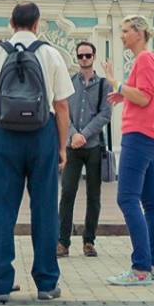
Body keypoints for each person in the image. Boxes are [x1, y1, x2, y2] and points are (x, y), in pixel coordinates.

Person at [0, 1, 74, 304]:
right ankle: (46, 283)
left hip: (6, 137)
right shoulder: (50, 53)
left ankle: (0, 285)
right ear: (37, 24)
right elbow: (62, 105)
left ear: (12, 23)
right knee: (44, 209)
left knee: (2, 209)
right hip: (42, 134)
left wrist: (3, 121)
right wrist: (61, 145)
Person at [105, 16, 154, 285]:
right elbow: (142, 94)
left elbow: (143, 97)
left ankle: (140, 267)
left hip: (139, 136)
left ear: (139, 33)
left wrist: (116, 84)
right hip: (152, 135)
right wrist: (124, 94)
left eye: (126, 30)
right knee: (152, 203)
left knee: (127, 198)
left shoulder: (144, 60)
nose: (122, 35)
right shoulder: (149, 60)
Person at [57, 39, 114, 257]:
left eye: (87, 56)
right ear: (76, 58)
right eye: (80, 56)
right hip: (73, 147)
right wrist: (73, 135)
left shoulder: (104, 85)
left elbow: (105, 114)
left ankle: (89, 240)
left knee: (93, 195)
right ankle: (63, 241)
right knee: (67, 193)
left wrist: (84, 134)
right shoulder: (69, 83)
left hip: (93, 147)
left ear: (94, 57)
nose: (84, 59)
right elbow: (63, 112)